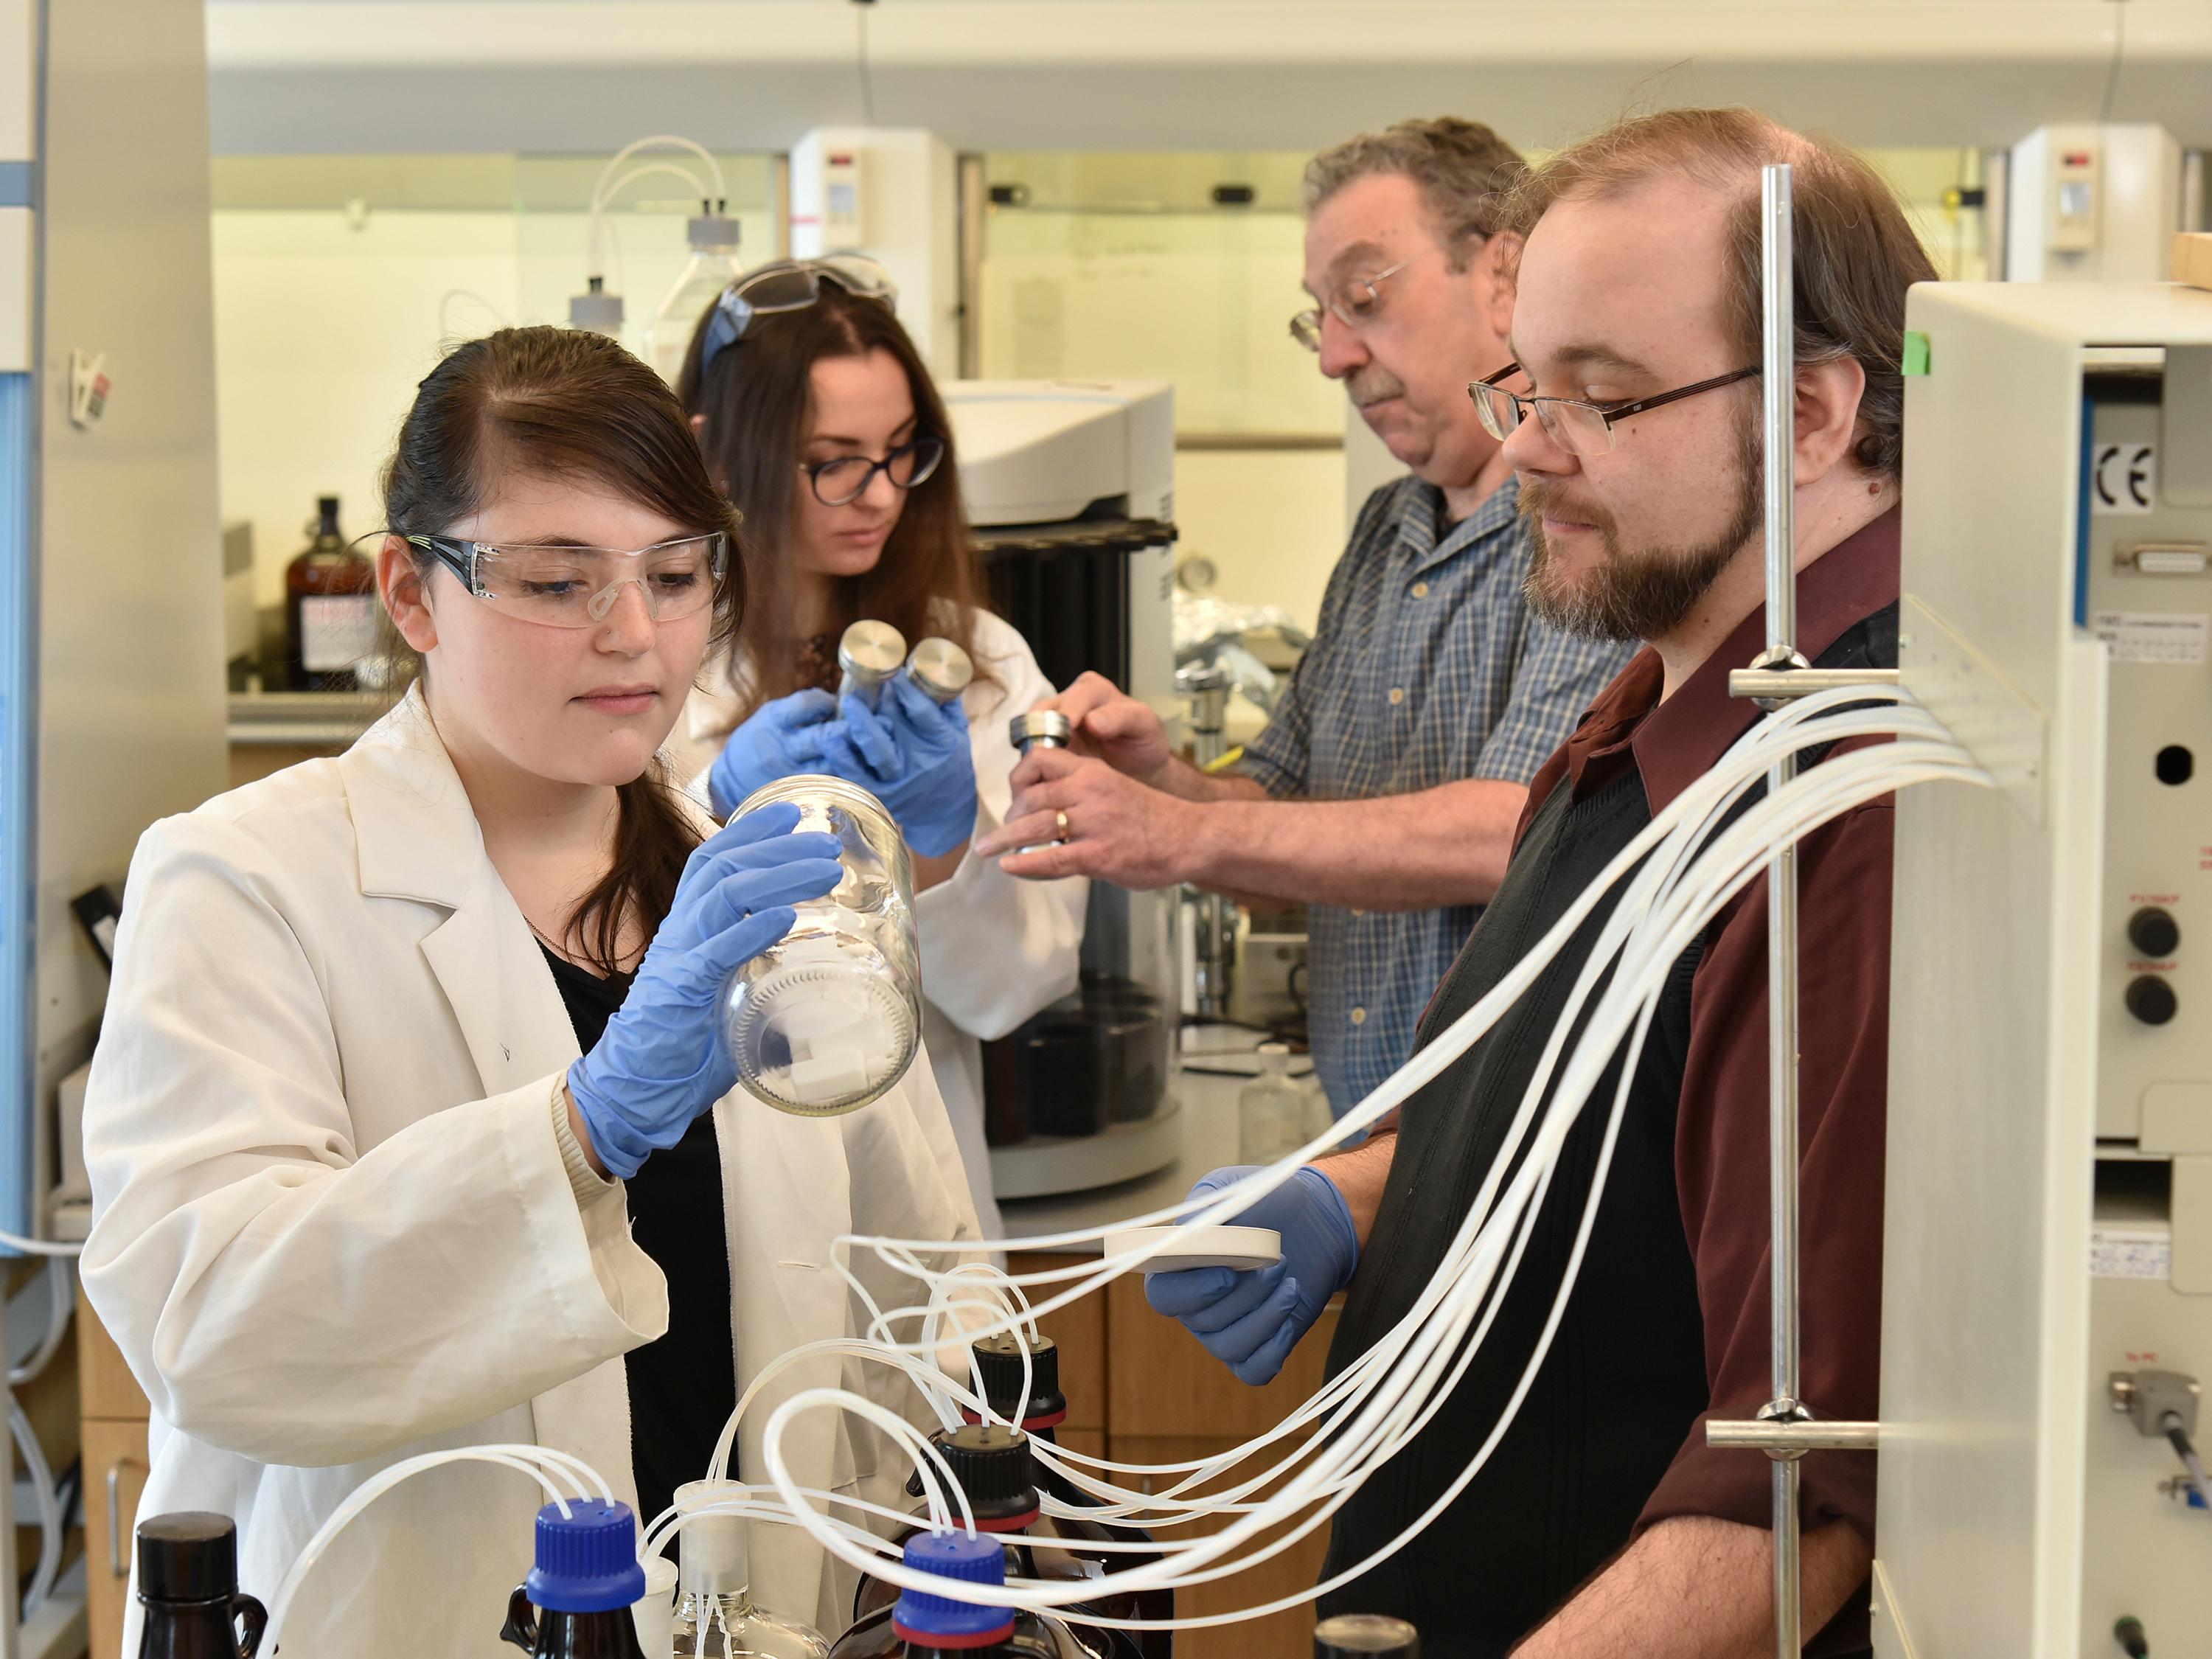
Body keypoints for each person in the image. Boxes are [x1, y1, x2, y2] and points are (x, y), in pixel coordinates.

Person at [1143, 108, 1935, 1655]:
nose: (1521, 450)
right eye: (1527, 385)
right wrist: (1363, 1196)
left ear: (1817, 412)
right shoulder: (1665, 694)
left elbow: (1798, 1493)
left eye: (1602, 399)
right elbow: (1602, 1114)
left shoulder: (1854, 803)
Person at [80, 327, 981, 1653]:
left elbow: (926, 1291)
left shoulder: (747, 884)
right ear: (409, 591)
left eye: (675, 573)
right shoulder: (246, 878)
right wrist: (583, 1130)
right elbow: (209, 1331)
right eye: (558, 582)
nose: (635, 635)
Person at [975, 119, 1634, 1119]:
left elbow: (1519, 830)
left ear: (1505, 275)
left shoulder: (1588, 524)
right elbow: (1273, 829)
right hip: (1371, 1140)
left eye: (1364, 298)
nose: (1331, 355)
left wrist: (1178, 837)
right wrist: (1165, 783)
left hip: (1519, 1164)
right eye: (1315, 316)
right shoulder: (1383, 534)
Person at [669, 258, 1086, 1237]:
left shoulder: (977, 658)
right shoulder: (647, 663)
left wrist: (937, 856)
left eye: (903, 451)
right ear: (715, 456)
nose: (881, 494)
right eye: (833, 459)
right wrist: (712, 812)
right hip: (701, 1165)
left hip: (910, 1179)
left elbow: (1019, 983)